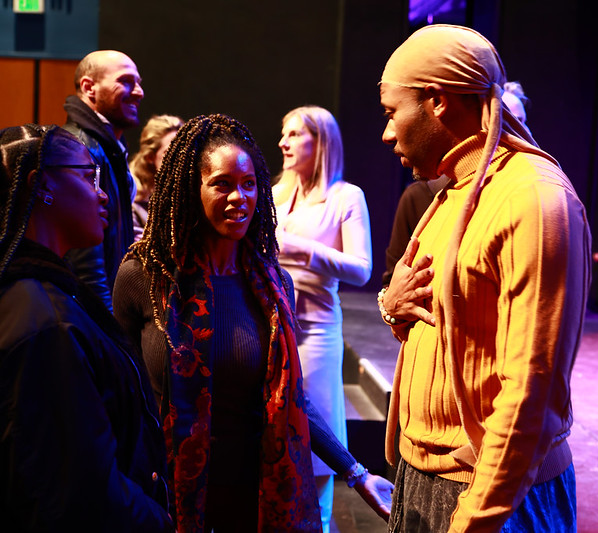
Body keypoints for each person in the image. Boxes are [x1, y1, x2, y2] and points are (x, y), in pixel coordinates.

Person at [113, 114, 392, 532]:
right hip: (167, 491)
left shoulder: (274, 284)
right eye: (222, 183)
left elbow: (291, 398)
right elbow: (121, 392)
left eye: (248, 184)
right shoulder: (144, 276)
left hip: (252, 490)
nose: (239, 197)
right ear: (192, 189)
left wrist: (356, 472)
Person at [0, 125, 172, 531]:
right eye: (87, 175)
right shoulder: (42, 321)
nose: (102, 194)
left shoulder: (33, 296)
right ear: (40, 184)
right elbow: (77, 494)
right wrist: (161, 522)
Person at [378, 25, 591, 532]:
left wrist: (477, 516)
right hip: (423, 476)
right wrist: (392, 305)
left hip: (490, 495)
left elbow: (529, 392)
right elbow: (429, 316)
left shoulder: (533, 201)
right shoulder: (452, 191)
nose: (387, 133)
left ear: (437, 101)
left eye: (391, 112)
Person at [272, 105, 372, 531]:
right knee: (272, 433)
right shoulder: (275, 192)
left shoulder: (345, 196)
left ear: (322, 142)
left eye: (295, 134)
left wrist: (299, 249)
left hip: (315, 330)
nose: (283, 143)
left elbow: (361, 269)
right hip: (270, 324)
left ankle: (321, 524)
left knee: (316, 441)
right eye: (283, 133)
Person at [381, 81, 529, 288]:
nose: (512, 128)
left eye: (520, 120)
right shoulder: (421, 195)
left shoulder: (525, 193)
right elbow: (392, 281)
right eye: (501, 117)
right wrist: (391, 306)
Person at [63, 50, 144, 310]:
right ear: (89, 87)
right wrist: (110, 327)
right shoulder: (79, 147)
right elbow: (86, 261)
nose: (139, 92)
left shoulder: (108, 146)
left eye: (139, 82)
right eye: (126, 81)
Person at [129, 114, 184, 239]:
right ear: (150, 157)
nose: (180, 157)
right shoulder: (133, 200)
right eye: (169, 152)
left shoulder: (188, 192)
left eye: (182, 150)